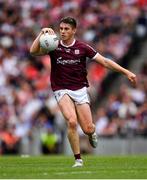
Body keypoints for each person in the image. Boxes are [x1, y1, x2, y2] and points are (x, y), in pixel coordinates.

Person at [30, 17, 137, 167]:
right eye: (61, 29)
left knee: (88, 128)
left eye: (66, 29)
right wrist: (41, 34)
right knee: (72, 121)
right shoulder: (53, 45)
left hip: (80, 89)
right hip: (61, 89)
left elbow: (105, 62)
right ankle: (78, 159)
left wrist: (126, 72)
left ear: (74, 30)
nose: (63, 32)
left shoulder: (83, 47)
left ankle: (92, 133)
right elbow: (33, 51)